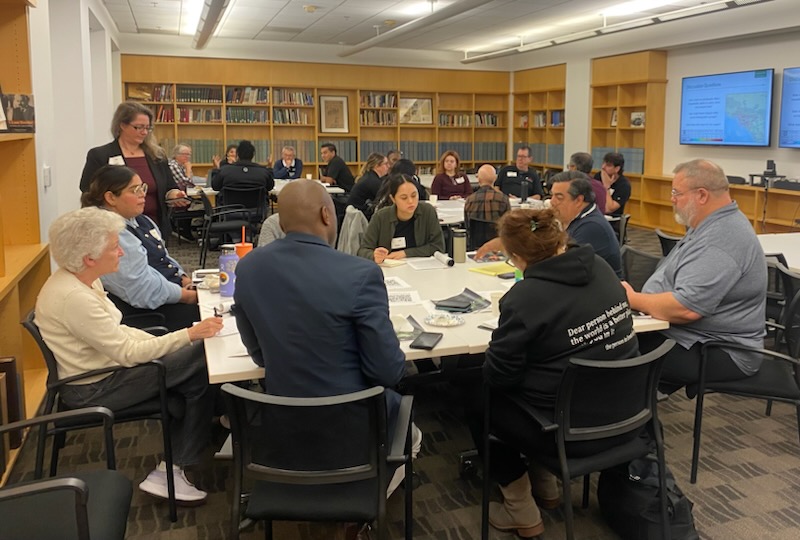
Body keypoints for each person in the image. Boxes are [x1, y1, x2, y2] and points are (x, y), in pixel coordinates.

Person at [233, 179, 421, 495]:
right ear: (326, 214)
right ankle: (368, 503)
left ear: (280, 222)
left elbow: (259, 355)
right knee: (411, 431)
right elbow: (388, 372)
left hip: (281, 419)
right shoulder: (360, 274)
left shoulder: (249, 267)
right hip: (355, 424)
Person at [35, 206, 223, 504]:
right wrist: (187, 335)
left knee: (197, 376)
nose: (121, 253)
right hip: (95, 387)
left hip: (107, 369)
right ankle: (190, 455)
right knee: (203, 355)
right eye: (114, 247)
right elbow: (127, 352)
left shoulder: (82, 278)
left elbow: (120, 332)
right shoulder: (75, 298)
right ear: (89, 258)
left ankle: (176, 465)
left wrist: (172, 340)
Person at [478, 208, 638, 538]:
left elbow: (499, 376)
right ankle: (546, 485)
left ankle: (520, 509)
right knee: (550, 376)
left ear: (519, 257)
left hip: (568, 431)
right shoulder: (601, 267)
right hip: (630, 415)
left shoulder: (524, 298)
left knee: (476, 397)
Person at [623, 159, 766, 390]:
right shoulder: (709, 225)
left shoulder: (722, 239)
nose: (672, 199)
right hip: (692, 335)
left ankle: (636, 422)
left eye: (676, 192)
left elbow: (687, 309)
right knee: (617, 344)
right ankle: (638, 415)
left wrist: (633, 299)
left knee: (618, 353)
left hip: (721, 349)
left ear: (701, 195)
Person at [82, 165, 201, 331]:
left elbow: (164, 257)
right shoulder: (110, 232)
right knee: (216, 315)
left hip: (170, 292)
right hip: (150, 311)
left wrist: (183, 278)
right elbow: (142, 289)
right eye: (134, 190)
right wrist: (187, 296)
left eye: (142, 188)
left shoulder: (140, 220)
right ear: (111, 198)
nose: (143, 195)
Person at [80, 101, 189, 238]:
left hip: (153, 227)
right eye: (139, 127)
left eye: (148, 128)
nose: (144, 132)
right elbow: (88, 190)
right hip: (115, 229)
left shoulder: (157, 156)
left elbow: (169, 187)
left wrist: (175, 195)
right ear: (122, 125)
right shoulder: (101, 155)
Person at [549, 170, 622, 277]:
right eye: (552, 196)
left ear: (578, 200)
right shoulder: (579, 218)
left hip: (599, 290)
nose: (552, 202)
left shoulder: (592, 227)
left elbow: (564, 268)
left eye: (559, 198)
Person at [358, 174, 445, 263]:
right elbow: (363, 250)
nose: (410, 201)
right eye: (404, 198)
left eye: (414, 195)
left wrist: (405, 253)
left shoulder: (427, 211)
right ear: (393, 199)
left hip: (421, 268)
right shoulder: (381, 217)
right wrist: (373, 255)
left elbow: (438, 247)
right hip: (390, 269)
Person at [464, 164, 510, 248]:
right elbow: (507, 226)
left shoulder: (470, 200)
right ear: (495, 178)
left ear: (478, 178)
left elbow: (467, 227)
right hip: (497, 246)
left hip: (475, 246)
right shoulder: (503, 199)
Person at [347, 152, 389, 217]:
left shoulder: (369, 176)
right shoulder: (373, 181)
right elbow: (384, 200)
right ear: (377, 166)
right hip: (362, 216)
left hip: (358, 215)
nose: (388, 166)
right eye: (386, 164)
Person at [594, 152, 630, 217]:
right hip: (596, 215)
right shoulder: (598, 176)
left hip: (612, 220)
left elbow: (609, 209)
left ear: (617, 169)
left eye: (608, 165)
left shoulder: (624, 185)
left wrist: (606, 187)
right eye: (603, 163)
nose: (603, 167)